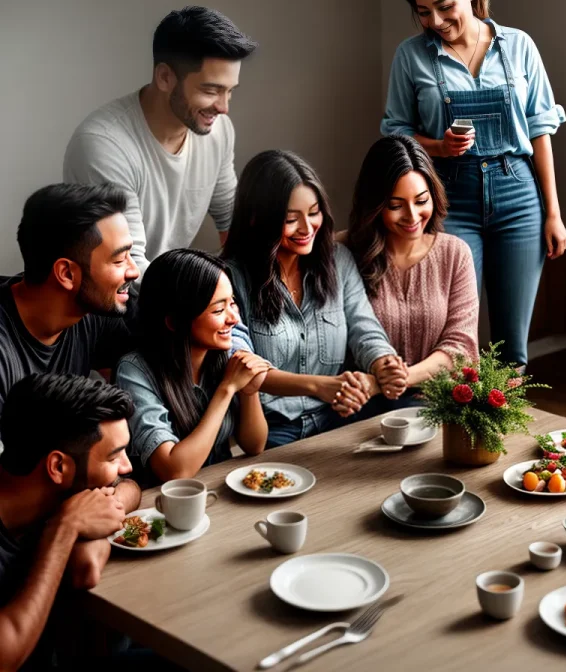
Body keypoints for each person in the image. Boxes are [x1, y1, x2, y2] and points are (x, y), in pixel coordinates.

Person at [382, 0, 566, 369]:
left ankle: (504, 435)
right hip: (449, 196)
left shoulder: (518, 46)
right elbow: (395, 131)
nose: (436, 21)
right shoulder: (410, 56)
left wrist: (552, 214)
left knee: (511, 347)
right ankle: (453, 436)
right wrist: (437, 147)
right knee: (452, 335)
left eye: (445, 6)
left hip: (518, 195)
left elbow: (540, 132)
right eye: (423, 12)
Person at [223, 150, 405, 447]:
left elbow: (363, 326)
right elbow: (242, 365)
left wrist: (383, 362)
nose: (307, 229)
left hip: (339, 416)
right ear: (257, 218)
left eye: (314, 212)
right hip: (273, 430)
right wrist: (320, 386)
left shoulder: (338, 260)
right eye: (291, 219)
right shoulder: (230, 278)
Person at [64, 6, 257, 275]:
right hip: (111, 305)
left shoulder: (218, 130)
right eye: (211, 90)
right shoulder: (104, 145)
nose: (224, 108)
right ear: (165, 77)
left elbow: (233, 228)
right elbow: (128, 268)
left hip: (167, 295)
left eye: (229, 92)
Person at [0, 373, 137, 671]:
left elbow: (130, 487)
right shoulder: (57, 513)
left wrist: (92, 522)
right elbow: (5, 655)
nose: (126, 465)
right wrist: (64, 529)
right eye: (114, 457)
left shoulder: (49, 490)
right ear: (58, 466)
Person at [117, 250, 270, 484]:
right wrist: (227, 389)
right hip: (164, 503)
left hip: (218, 486)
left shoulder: (224, 353)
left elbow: (254, 444)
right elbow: (173, 470)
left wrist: (249, 390)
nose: (233, 319)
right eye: (218, 310)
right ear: (175, 322)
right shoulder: (134, 371)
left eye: (233, 303)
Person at [345, 135, 479, 404]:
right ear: (374, 204)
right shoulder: (345, 252)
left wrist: (398, 379)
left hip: (435, 401)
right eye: (396, 205)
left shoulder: (455, 253)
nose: (412, 216)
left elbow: (460, 346)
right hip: (360, 400)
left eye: (421, 201)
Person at [0, 183, 140, 416]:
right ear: (66, 273)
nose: (134, 271)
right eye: (119, 260)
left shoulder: (94, 308)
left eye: (130, 256)